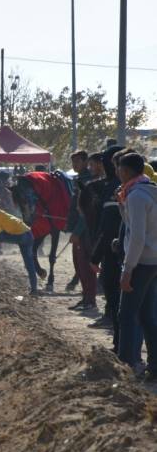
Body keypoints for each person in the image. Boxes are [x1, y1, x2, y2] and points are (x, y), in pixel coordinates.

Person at [115, 152, 157, 380]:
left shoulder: (136, 196)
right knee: (148, 315)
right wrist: (123, 208)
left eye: (119, 169)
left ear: (127, 171)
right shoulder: (149, 190)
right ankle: (154, 365)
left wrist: (127, 269)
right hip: (153, 261)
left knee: (127, 314)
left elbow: (137, 237)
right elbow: (134, 225)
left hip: (141, 262)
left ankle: (128, 365)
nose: (117, 173)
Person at [90, 145, 125, 340]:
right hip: (125, 249)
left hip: (117, 251)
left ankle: (122, 350)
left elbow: (108, 227)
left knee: (116, 295)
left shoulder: (116, 189)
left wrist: (95, 255)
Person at [0, 195, 42, 295]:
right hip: (28, 236)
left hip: (21, 236)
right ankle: (34, 289)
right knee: (29, 264)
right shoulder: (3, 214)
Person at [66, 150, 97, 308]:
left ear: (86, 162)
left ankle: (90, 300)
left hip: (85, 230)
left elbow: (86, 211)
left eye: (77, 161)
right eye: (73, 162)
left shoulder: (88, 181)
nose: (74, 165)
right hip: (79, 228)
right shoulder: (79, 179)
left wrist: (77, 232)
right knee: (79, 265)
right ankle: (86, 298)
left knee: (85, 266)